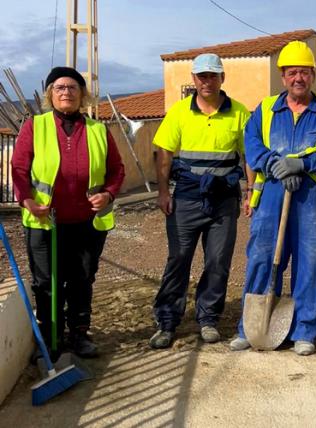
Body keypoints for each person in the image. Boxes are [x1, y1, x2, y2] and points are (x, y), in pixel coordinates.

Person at [229, 41, 316, 356]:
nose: (298, 79)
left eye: (304, 73)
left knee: (310, 261)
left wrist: (302, 164)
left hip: (312, 195)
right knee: (262, 259)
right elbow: (251, 144)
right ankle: (251, 328)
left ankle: (305, 329)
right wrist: (275, 165)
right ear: (283, 76)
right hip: (272, 195)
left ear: (313, 75)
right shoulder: (265, 109)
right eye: (292, 73)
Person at [11, 66, 125, 358]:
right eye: (60, 87)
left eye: (72, 87)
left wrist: (108, 193)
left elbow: (116, 170)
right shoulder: (35, 126)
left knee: (82, 279)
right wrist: (27, 201)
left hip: (87, 223)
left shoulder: (99, 130)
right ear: (50, 94)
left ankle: (78, 335)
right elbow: (20, 170)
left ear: (82, 94)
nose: (66, 92)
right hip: (44, 221)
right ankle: (50, 339)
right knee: (46, 282)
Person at [149, 53, 251, 349]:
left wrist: (250, 191)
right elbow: (164, 153)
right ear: (193, 80)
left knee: (218, 261)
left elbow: (249, 157)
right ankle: (167, 321)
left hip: (223, 201)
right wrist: (164, 192)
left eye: (213, 75)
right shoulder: (179, 112)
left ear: (223, 78)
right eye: (202, 76)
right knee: (178, 259)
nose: (207, 81)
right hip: (187, 199)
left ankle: (208, 318)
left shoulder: (240, 113)